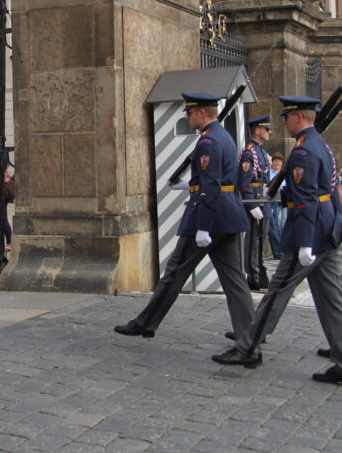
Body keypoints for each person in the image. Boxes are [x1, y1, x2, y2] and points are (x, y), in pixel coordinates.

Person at [212, 96, 342, 383]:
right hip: (327, 229)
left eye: (286, 117)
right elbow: (327, 190)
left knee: (276, 294)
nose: (283, 122)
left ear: (299, 118)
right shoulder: (321, 145)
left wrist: (306, 242)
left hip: (309, 234)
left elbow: (308, 198)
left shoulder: (304, 151)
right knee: (332, 298)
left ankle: (248, 348)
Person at [114, 93, 255, 341]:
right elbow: (216, 180)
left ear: (202, 112)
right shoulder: (223, 136)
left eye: (189, 113)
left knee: (174, 272)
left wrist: (203, 227)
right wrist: (189, 185)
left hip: (208, 217)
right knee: (234, 279)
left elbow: (211, 186)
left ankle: (146, 322)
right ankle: (250, 333)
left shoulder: (208, 142)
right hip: (227, 215)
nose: (187, 118)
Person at [237, 115, 273, 290]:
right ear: (257, 130)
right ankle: (254, 275)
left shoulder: (263, 153)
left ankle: (258, 272)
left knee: (261, 240)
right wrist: (251, 204)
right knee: (253, 242)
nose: (270, 132)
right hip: (256, 201)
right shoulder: (249, 152)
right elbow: (244, 181)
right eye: (267, 129)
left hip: (264, 201)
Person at [267, 151, 285, 259]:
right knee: (275, 226)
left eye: (280, 161)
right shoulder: (269, 173)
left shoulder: (283, 173)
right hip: (274, 202)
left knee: (283, 225)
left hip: (284, 202)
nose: (278, 163)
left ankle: (283, 249)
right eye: (276, 161)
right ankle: (279, 252)